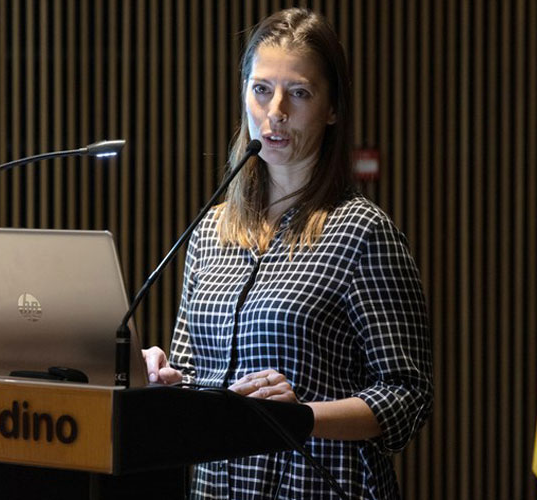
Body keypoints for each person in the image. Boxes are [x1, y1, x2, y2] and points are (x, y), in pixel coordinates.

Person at [143, 8, 433, 499]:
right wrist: (160, 376)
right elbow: (195, 374)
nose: (275, 111)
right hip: (218, 488)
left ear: (332, 108)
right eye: (261, 89)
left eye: (298, 93)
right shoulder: (211, 231)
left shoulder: (361, 232)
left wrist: (303, 417)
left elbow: (408, 397)